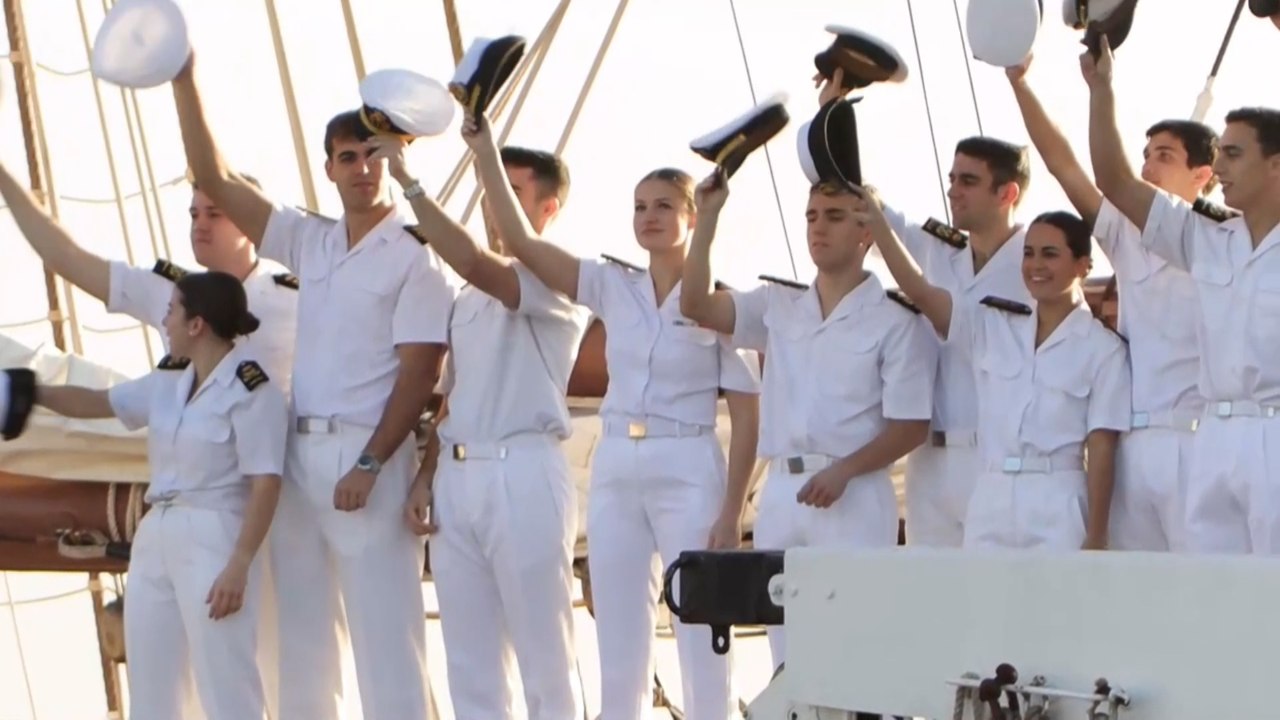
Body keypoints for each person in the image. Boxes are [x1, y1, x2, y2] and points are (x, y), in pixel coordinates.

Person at [171, 52, 455, 719]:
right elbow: (212, 175)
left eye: (374, 156)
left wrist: (370, 462)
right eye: (348, 157)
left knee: (388, 649)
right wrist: (185, 76)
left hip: (366, 461)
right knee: (304, 652)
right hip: (298, 461)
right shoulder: (311, 242)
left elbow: (421, 373)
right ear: (329, 168)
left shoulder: (418, 260)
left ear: (394, 162)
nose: (362, 169)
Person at [463, 111, 761, 720]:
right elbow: (521, 244)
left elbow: (749, 416)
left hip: (688, 462)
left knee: (704, 633)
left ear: (692, 218)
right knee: (619, 636)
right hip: (619, 465)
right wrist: (482, 149)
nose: (648, 217)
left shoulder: (722, 304)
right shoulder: (610, 286)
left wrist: (732, 510)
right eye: (638, 206)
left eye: (663, 206)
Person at [0, 161, 294, 719]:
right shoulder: (169, 378)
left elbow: (265, 482)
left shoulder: (257, 375)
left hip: (223, 527)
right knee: (154, 694)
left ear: (197, 323)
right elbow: (103, 404)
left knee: (233, 684)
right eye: (194, 213)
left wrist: (238, 562)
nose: (199, 224)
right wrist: (31, 393)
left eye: (216, 212)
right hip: (159, 530)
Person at [680, 111, 935, 683]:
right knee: (787, 658)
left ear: (866, 231)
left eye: (836, 217)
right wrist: (709, 220)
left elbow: (910, 425)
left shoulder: (896, 321)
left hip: (852, 494)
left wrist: (846, 470)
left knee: (851, 656)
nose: (819, 228)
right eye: (812, 217)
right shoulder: (779, 303)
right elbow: (695, 304)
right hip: (782, 494)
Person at [360, 128, 590, 718]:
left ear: (547, 208)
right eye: (489, 193)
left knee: (545, 662)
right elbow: (451, 400)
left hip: (526, 474)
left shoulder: (553, 282)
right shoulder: (466, 300)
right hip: (461, 482)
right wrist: (424, 479)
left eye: (508, 192)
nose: (494, 206)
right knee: (470, 666)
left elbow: (468, 256)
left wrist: (409, 182)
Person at [1007, 52, 1218, 552]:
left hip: (1199, 443)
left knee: (1203, 600)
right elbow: (1064, 164)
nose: (1146, 166)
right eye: (1144, 153)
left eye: (1163, 156)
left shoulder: (1226, 239)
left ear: (1202, 176)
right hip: (1135, 450)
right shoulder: (1126, 235)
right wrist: (1020, 84)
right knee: (1134, 608)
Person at [819, 63, 1034, 550]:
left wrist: (878, 224)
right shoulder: (942, 249)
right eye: (952, 177)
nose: (953, 190)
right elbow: (860, 202)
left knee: (989, 605)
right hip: (929, 461)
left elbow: (929, 300)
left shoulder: (1035, 265)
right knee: (932, 604)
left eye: (968, 181)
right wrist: (831, 118)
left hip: (994, 458)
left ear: (1007, 194)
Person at [1085, 36, 1280, 555]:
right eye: (1219, 156)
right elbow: (1116, 182)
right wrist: (1102, 90)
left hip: (1274, 434)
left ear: (1276, 165)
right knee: (1204, 601)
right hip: (1213, 440)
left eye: (1235, 155)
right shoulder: (1205, 237)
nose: (1220, 170)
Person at [867, 179, 1129, 550]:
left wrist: (1098, 534)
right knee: (980, 606)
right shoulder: (995, 326)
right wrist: (876, 220)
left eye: (1050, 254)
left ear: (1083, 265)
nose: (1036, 265)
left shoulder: (1103, 349)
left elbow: (1102, 447)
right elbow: (921, 290)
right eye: (1030, 254)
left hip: (1058, 497)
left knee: (1053, 608)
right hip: (990, 494)